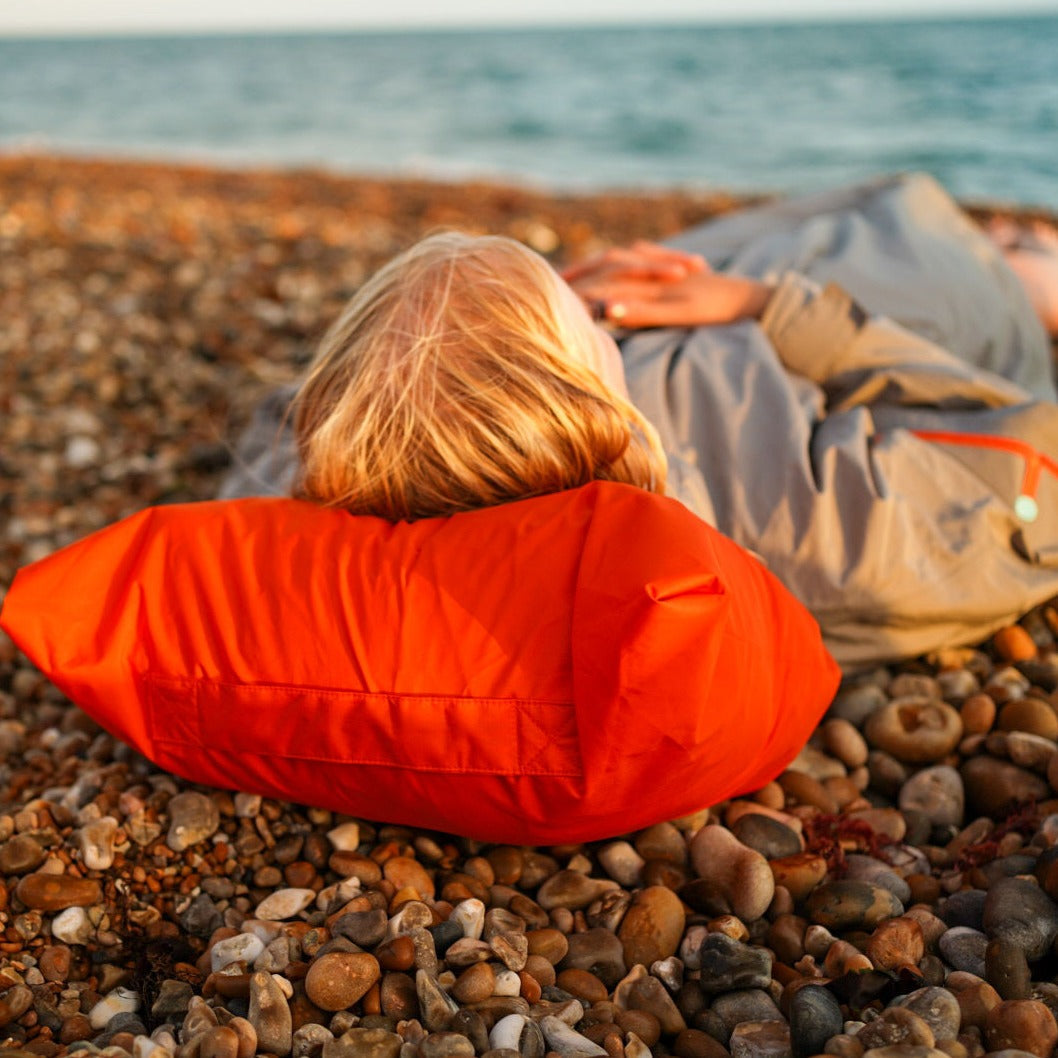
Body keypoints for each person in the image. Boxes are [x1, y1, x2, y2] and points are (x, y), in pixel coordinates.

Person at [221, 172, 1058, 670]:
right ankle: (1024, 259)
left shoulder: (396, 450)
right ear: (576, 393)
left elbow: (291, 435)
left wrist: (587, 310)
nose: (588, 307)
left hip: (700, 320)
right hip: (812, 328)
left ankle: (996, 244)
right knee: (952, 253)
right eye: (578, 319)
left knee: (868, 212)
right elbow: (1026, 458)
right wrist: (771, 305)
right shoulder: (827, 526)